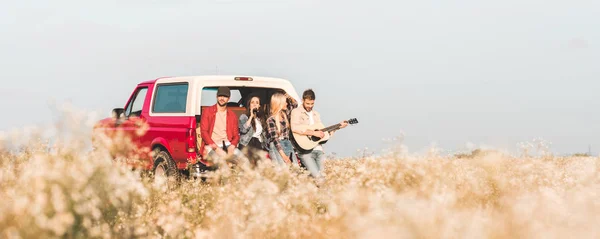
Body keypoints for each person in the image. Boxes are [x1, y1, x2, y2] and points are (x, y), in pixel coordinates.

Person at [290, 89, 347, 180]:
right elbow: (295, 128)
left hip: (319, 150)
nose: (310, 106)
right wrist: (313, 132)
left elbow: (323, 133)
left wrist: (338, 127)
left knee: (319, 178)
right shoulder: (296, 112)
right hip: (306, 152)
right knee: (319, 178)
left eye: (312, 104)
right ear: (302, 100)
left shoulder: (316, 114)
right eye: (307, 103)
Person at [199, 86, 244, 165]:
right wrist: (216, 148)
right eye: (220, 96)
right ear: (216, 96)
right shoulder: (207, 112)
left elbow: (236, 135)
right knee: (221, 164)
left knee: (244, 161)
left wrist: (232, 145)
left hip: (227, 144)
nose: (222, 98)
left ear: (229, 98)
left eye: (225, 96)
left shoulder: (232, 115)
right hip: (211, 146)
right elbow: (204, 132)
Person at [265, 92, 298, 165]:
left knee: (295, 169)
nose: (287, 103)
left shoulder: (285, 116)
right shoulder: (271, 120)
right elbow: (275, 139)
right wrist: (284, 156)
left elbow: (295, 105)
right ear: (279, 104)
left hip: (287, 143)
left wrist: (290, 96)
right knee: (282, 170)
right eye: (285, 102)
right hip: (277, 147)